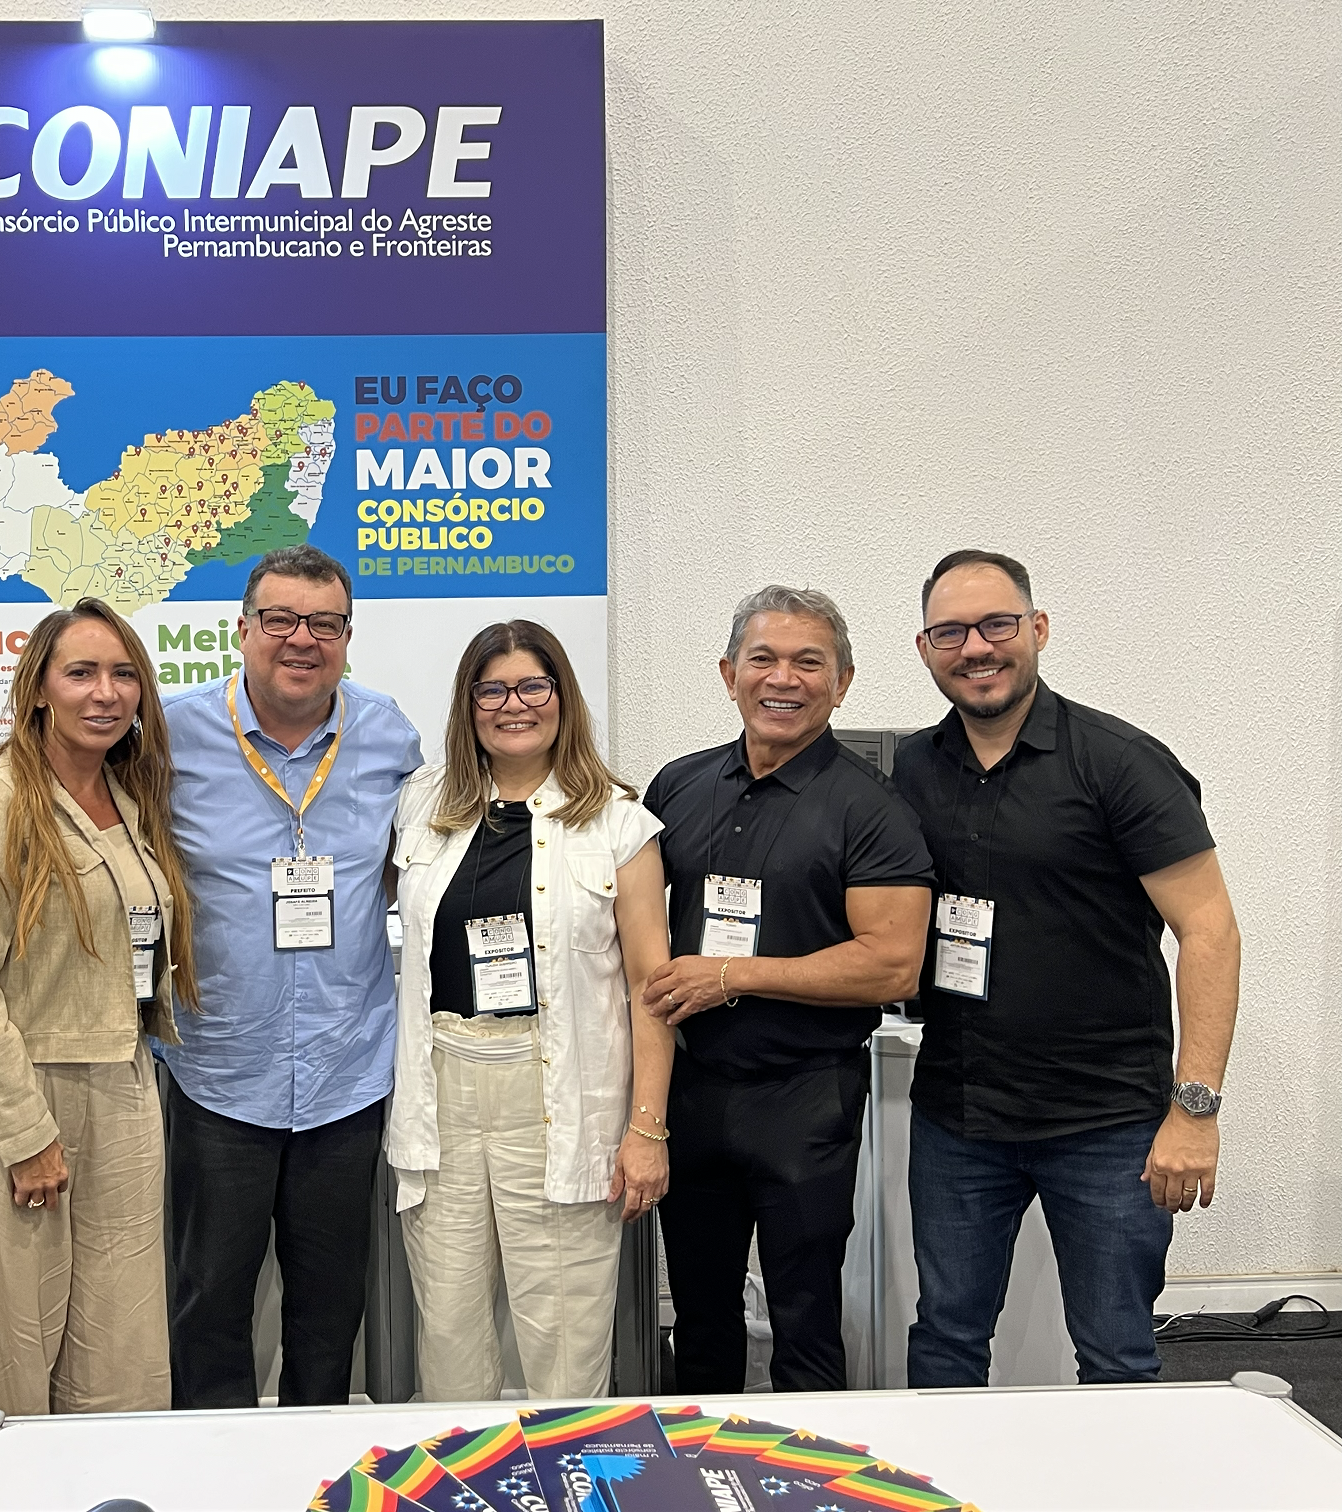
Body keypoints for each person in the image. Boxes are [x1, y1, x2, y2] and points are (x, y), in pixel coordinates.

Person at [895, 549, 1241, 1386]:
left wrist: (1194, 1111)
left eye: (997, 624)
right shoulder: (908, 769)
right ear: (925, 648)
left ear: (1038, 629)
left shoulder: (1119, 761)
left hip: (1107, 1124)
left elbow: (1210, 931)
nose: (976, 647)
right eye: (951, 632)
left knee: (1116, 1355)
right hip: (957, 1117)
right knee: (944, 1339)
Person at [0, 598, 196, 1508]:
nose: (105, 693)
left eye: (123, 675)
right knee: (1, 1345)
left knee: (122, 1341)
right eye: (81, 673)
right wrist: (26, 1133)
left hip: (122, 1081)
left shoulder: (128, 797)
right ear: (37, 688)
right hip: (16, 1098)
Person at [641, 585, 933, 1394]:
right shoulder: (678, 786)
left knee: (805, 1315)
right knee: (698, 1315)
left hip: (805, 1096)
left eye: (809, 662)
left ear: (843, 683)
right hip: (693, 1089)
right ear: (728, 673)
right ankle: (697, 1457)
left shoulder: (871, 808)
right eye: (763, 658)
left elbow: (893, 966)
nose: (784, 678)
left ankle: (810, 1458)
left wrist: (733, 975)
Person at [159, 544, 423, 1408]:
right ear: (241, 629)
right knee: (208, 1303)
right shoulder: (171, 735)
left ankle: (314, 1468)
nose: (301, 639)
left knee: (330, 1308)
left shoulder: (388, 735)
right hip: (218, 1072)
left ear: (347, 636)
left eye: (325, 623)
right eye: (280, 620)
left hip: (348, 1073)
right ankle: (216, 1464)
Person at [385, 620, 673, 1400]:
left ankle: (565, 1464)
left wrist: (647, 1130)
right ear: (469, 704)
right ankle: (465, 1466)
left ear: (562, 696)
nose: (514, 705)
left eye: (533, 686)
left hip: (558, 1099)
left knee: (565, 1347)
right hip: (442, 1094)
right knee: (448, 1339)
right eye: (493, 690)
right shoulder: (422, 804)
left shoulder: (618, 821)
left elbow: (651, 991)